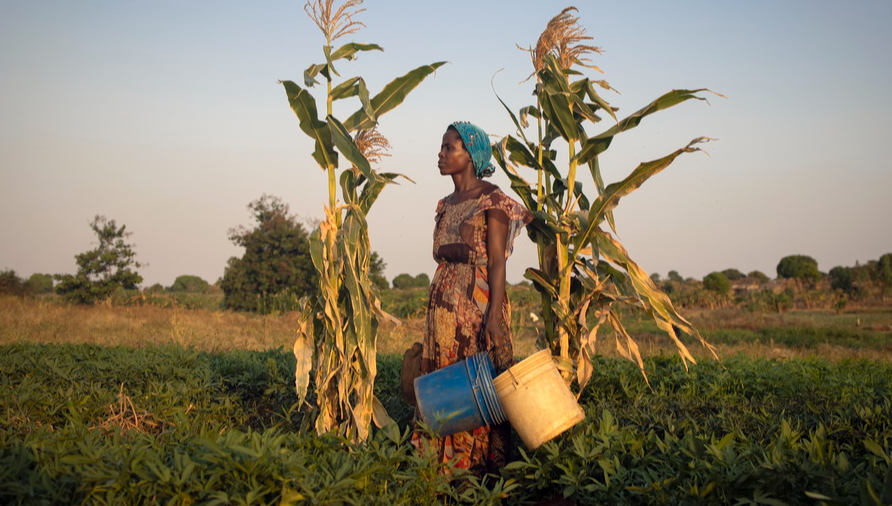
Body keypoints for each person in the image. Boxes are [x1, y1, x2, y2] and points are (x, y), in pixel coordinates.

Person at [411, 121, 533, 477]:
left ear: (471, 155)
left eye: (450, 148)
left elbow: (497, 261)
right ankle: (441, 466)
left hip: (476, 307)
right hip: (443, 307)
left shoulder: (491, 198)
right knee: (445, 381)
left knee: (477, 382)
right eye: (443, 147)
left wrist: (493, 316)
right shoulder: (445, 203)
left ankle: (477, 468)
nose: (442, 154)